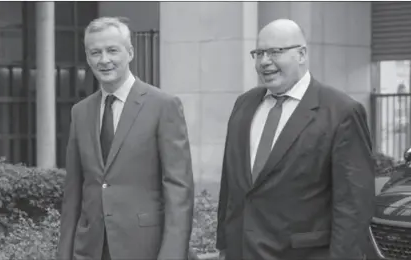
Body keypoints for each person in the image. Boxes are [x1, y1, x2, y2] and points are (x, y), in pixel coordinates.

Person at [216, 19, 375, 260]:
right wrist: (224, 246)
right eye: (258, 53)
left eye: (275, 52)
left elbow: (353, 206)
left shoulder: (341, 111)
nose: (264, 62)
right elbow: (230, 183)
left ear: (301, 54)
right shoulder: (244, 105)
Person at [57, 17, 194, 260]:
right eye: (95, 52)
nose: (104, 60)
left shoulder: (163, 106)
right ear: (88, 59)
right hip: (90, 249)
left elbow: (178, 190)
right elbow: (74, 193)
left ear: (130, 53)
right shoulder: (80, 112)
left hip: (144, 249)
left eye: (112, 50)